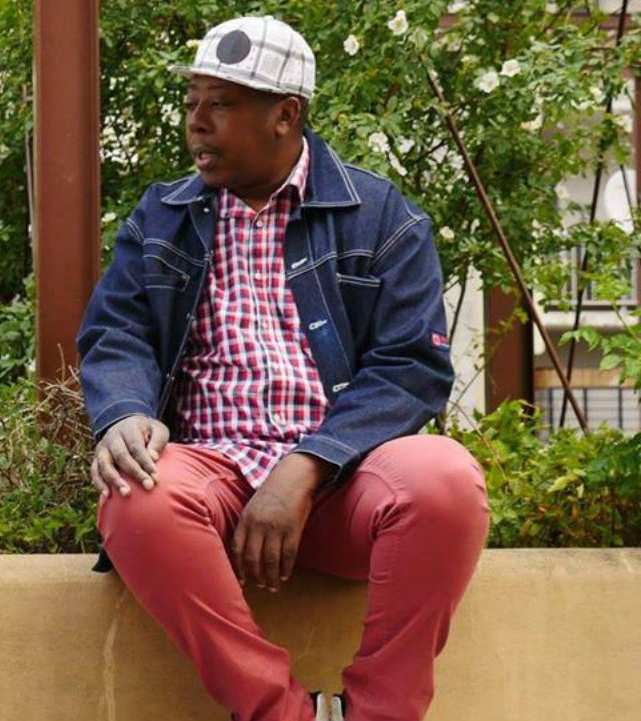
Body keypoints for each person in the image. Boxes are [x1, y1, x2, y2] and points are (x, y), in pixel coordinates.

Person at [77, 17, 490, 721]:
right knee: (135, 496)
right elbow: (118, 333)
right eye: (192, 102)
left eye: (221, 104)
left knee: (446, 480)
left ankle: (382, 713)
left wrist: (306, 466)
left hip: (344, 483)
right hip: (213, 479)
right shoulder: (162, 217)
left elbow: (411, 368)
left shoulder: (380, 217)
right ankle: (277, 712)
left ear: (285, 115)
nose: (196, 122)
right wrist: (125, 412)